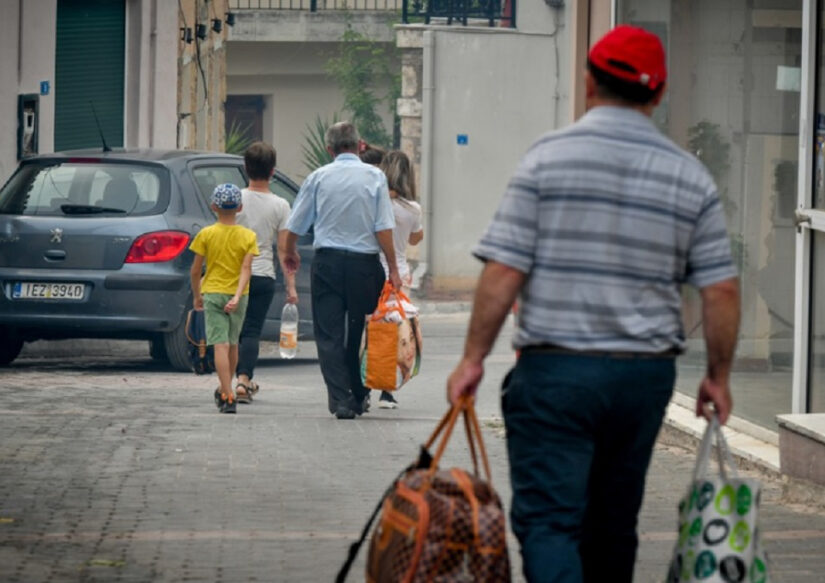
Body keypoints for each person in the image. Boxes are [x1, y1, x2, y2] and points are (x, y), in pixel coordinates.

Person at [445, 25, 741, 582]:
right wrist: (719, 377)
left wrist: (472, 360)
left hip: (556, 372)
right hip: (643, 380)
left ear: (587, 85)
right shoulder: (690, 177)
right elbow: (721, 289)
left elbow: (504, 270)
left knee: (552, 523)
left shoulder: (545, 161)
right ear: (658, 94)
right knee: (612, 523)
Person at [281, 121, 401, 420]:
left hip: (328, 264)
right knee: (362, 331)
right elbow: (383, 227)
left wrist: (290, 251)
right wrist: (394, 268)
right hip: (364, 266)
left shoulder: (318, 177)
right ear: (360, 145)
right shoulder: (375, 177)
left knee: (329, 333)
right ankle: (360, 394)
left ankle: (341, 399)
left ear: (328, 148)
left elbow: (295, 224)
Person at [233, 141, 296, 404]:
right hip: (263, 276)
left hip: (233, 276)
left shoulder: (234, 198)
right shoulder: (281, 205)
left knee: (231, 332)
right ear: (272, 172)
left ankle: (231, 381)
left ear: (246, 168)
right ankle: (244, 380)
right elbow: (285, 251)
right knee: (251, 331)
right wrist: (291, 287)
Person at [190, 183, 260, 414]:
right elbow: (246, 269)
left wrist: (197, 295)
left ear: (213, 206)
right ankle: (226, 389)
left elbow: (195, 270)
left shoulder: (206, 234)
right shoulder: (248, 236)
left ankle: (227, 393)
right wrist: (238, 296)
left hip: (212, 293)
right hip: (239, 295)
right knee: (232, 344)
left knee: (219, 345)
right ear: (239, 207)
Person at [375, 150, 424, 409]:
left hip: (375, 270)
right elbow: (416, 238)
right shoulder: (413, 209)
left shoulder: (377, 202)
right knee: (395, 331)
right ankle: (387, 390)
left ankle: (364, 380)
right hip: (400, 275)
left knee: (372, 329)